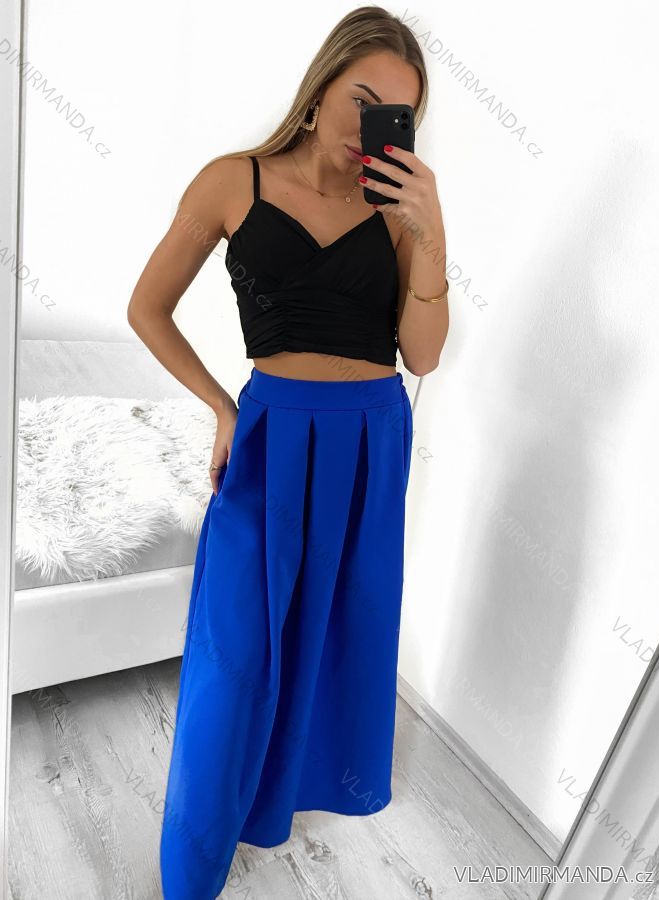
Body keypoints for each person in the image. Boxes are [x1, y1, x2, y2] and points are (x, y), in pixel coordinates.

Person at [127, 7, 449, 897]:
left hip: (372, 439)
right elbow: (147, 308)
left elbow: (422, 356)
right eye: (362, 98)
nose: (371, 124)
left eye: (396, 114)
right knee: (233, 651)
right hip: (271, 434)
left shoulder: (396, 214)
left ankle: (279, 802)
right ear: (320, 86)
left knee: (335, 635)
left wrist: (432, 233)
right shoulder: (233, 181)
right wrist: (222, 406)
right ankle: (191, 869)